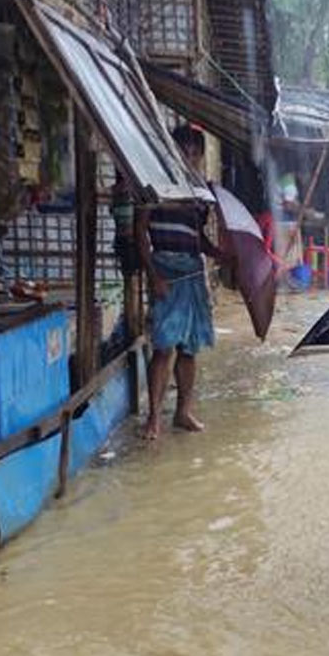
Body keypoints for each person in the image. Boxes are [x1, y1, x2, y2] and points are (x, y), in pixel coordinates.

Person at [138, 125, 222, 440]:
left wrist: (221, 254)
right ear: (171, 150)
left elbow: (198, 238)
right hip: (166, 269)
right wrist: (154, 275)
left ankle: (183, 412)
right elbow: (140, 231)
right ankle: (153, 418)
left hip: (192, 272)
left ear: (200, 155)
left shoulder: (200, 193)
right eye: (182, 150)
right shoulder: (155, 184)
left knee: (190, 347)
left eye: (194, 152)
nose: (189, 156)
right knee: (164, 346)